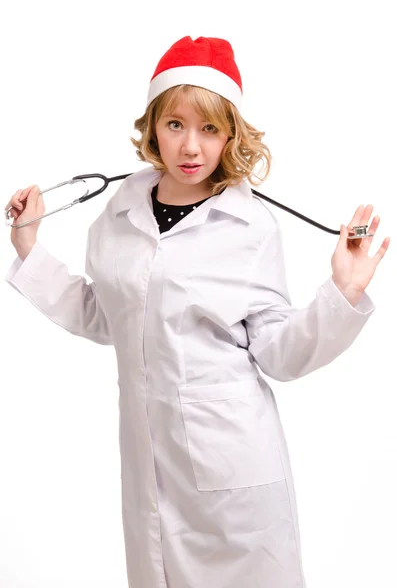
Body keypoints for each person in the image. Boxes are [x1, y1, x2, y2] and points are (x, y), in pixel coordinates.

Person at [4, 36, 390, 588]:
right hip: (149, 466)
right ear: (153, 127)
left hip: (233, 466)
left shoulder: (250, 225)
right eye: (176, 124)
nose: (191, 146)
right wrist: (29, 248)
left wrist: (343, 291)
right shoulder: (120, 210)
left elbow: (278, 353)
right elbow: (106, 315)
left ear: (230, 134)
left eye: (209, 128)